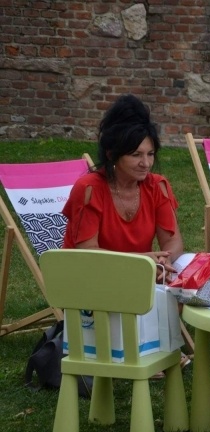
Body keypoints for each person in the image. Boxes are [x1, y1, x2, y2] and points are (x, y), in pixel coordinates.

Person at [62, 93, 189, 372]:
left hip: (142, 271)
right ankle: (147, 351)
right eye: (136, 155)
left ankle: (155, 347)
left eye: (150, 154)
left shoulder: (157, 186)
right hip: (93, 274)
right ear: (112, 155)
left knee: (189, 276)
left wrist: (164, 261)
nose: (146, 163)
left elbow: (173, 240)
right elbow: (87, 252)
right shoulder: (89, 188)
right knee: (153, 286)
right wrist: (143, 262)